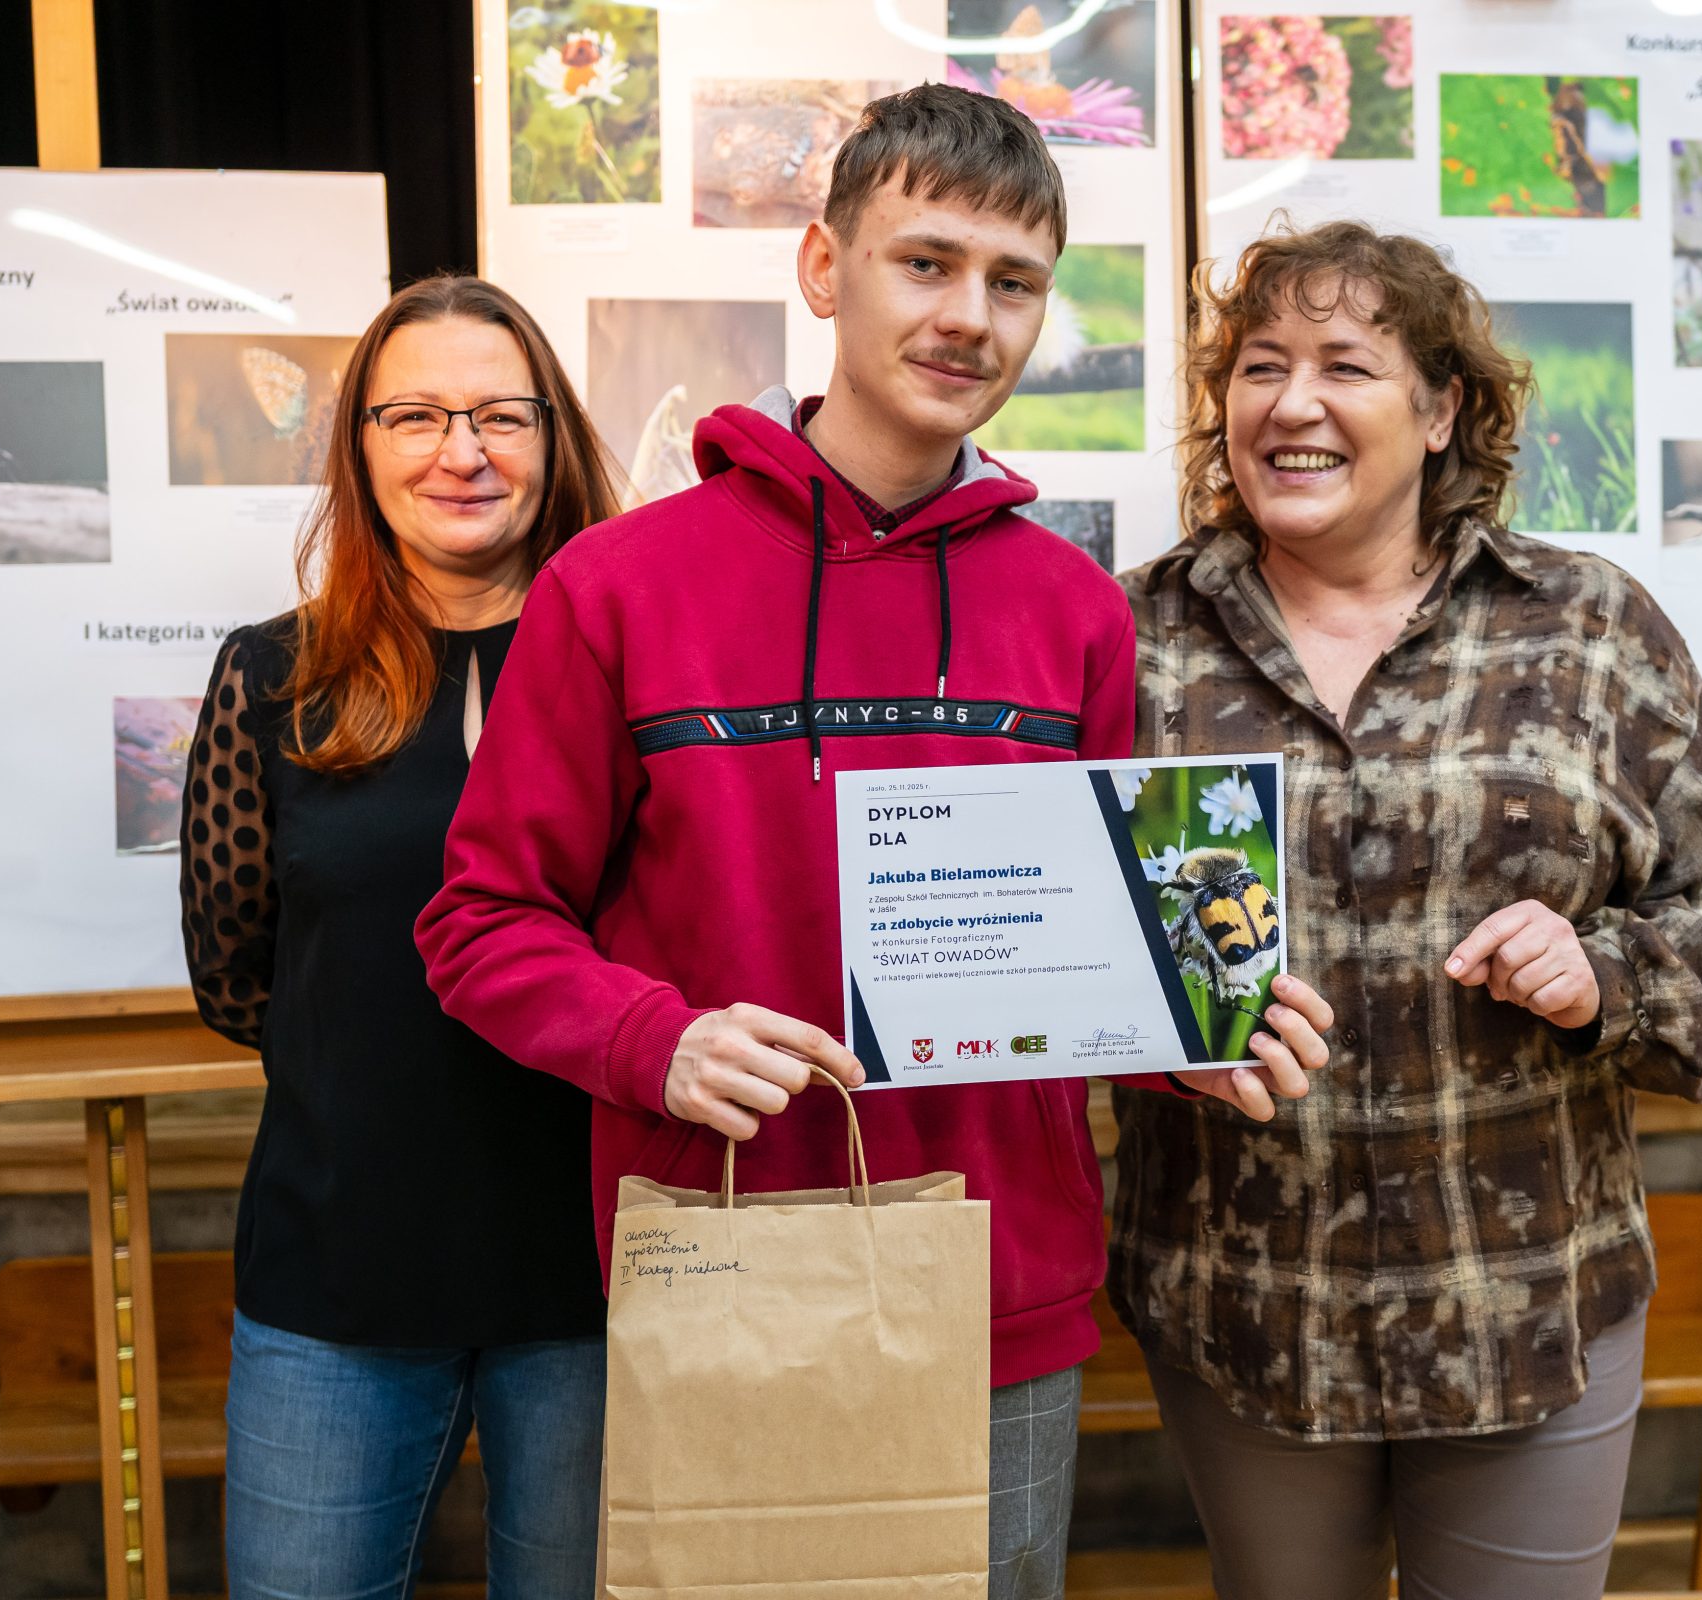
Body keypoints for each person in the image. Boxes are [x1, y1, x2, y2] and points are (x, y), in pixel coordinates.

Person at [415, 84, 1332, 1598]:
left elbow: (1092, 954)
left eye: (1015, 282)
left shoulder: (1075, 612)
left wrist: (1196, 1033)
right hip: (719, 1275)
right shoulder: (617, 587)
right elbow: (481, 921)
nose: (970, 316)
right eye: (926, 262)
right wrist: (654, 1041)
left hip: (1001, 1302)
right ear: (823, 270)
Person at [1109, 219, 1702, 1599]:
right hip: (1246, 1297)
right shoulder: (1131, 639)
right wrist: (1154, 1036)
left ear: (1440, 410)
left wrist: (1608, 973)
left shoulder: (1585, 625)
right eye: (1261, 366)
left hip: (1525, 1290)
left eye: (1345, 365)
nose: (1291, 403)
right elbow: (1060, 929)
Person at [181, 274, 626, 1600]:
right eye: (416, 416)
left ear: (552, 436)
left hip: (602, 1277)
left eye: (499, 415)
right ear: (361, 447)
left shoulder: (644, 673)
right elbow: (237, 975)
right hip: (340, 1274)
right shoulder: (275, 677)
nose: (460, 451)